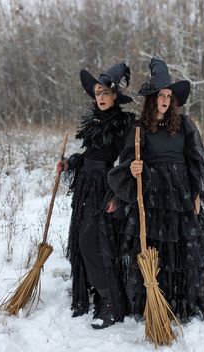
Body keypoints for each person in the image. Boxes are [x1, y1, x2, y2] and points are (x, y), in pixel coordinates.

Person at [108, 57, 204, 322]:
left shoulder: (183, 124)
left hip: (181, 193)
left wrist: (197, 193)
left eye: (169, 95)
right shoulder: (139, 129)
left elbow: (196, 160)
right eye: (160, 95)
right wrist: (133, 169)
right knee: (154, 247)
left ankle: (182, 299)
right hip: (151, 194)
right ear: (152, 98)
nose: (165, 99)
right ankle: (156, 299)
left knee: (183, 247)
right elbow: (126, 162)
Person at [57, 63, 134, 329]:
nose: (100, 97)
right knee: (82, 239)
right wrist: (70, 163)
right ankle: (99, 294)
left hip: (105, 187)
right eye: (97, 92)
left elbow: (125, 162)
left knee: (94, 242)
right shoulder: (94, 121)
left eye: (105, 92)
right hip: (85, 187)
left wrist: (116, 194)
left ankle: (111, 301)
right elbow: (91, 155)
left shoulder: (125, 123)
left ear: (115, 96)